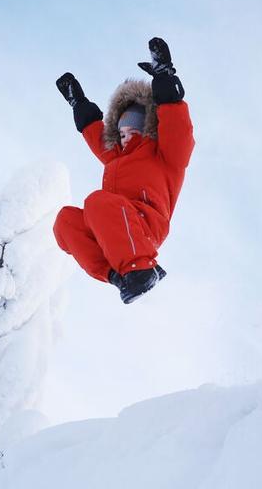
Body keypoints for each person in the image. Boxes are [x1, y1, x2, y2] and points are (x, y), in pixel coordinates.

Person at [53, 37, 195, 304]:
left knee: (97, 202)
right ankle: (121, 277)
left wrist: (165, 78)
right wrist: (78, 103)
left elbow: (178, 129)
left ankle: (142, 269)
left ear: (146, 127)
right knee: (66, 221)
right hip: (115, 231)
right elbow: (95, 133)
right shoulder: (116, 157)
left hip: (144, 225)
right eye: (121, 132)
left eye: (132, 130)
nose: (125, 136)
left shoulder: (165, 154)